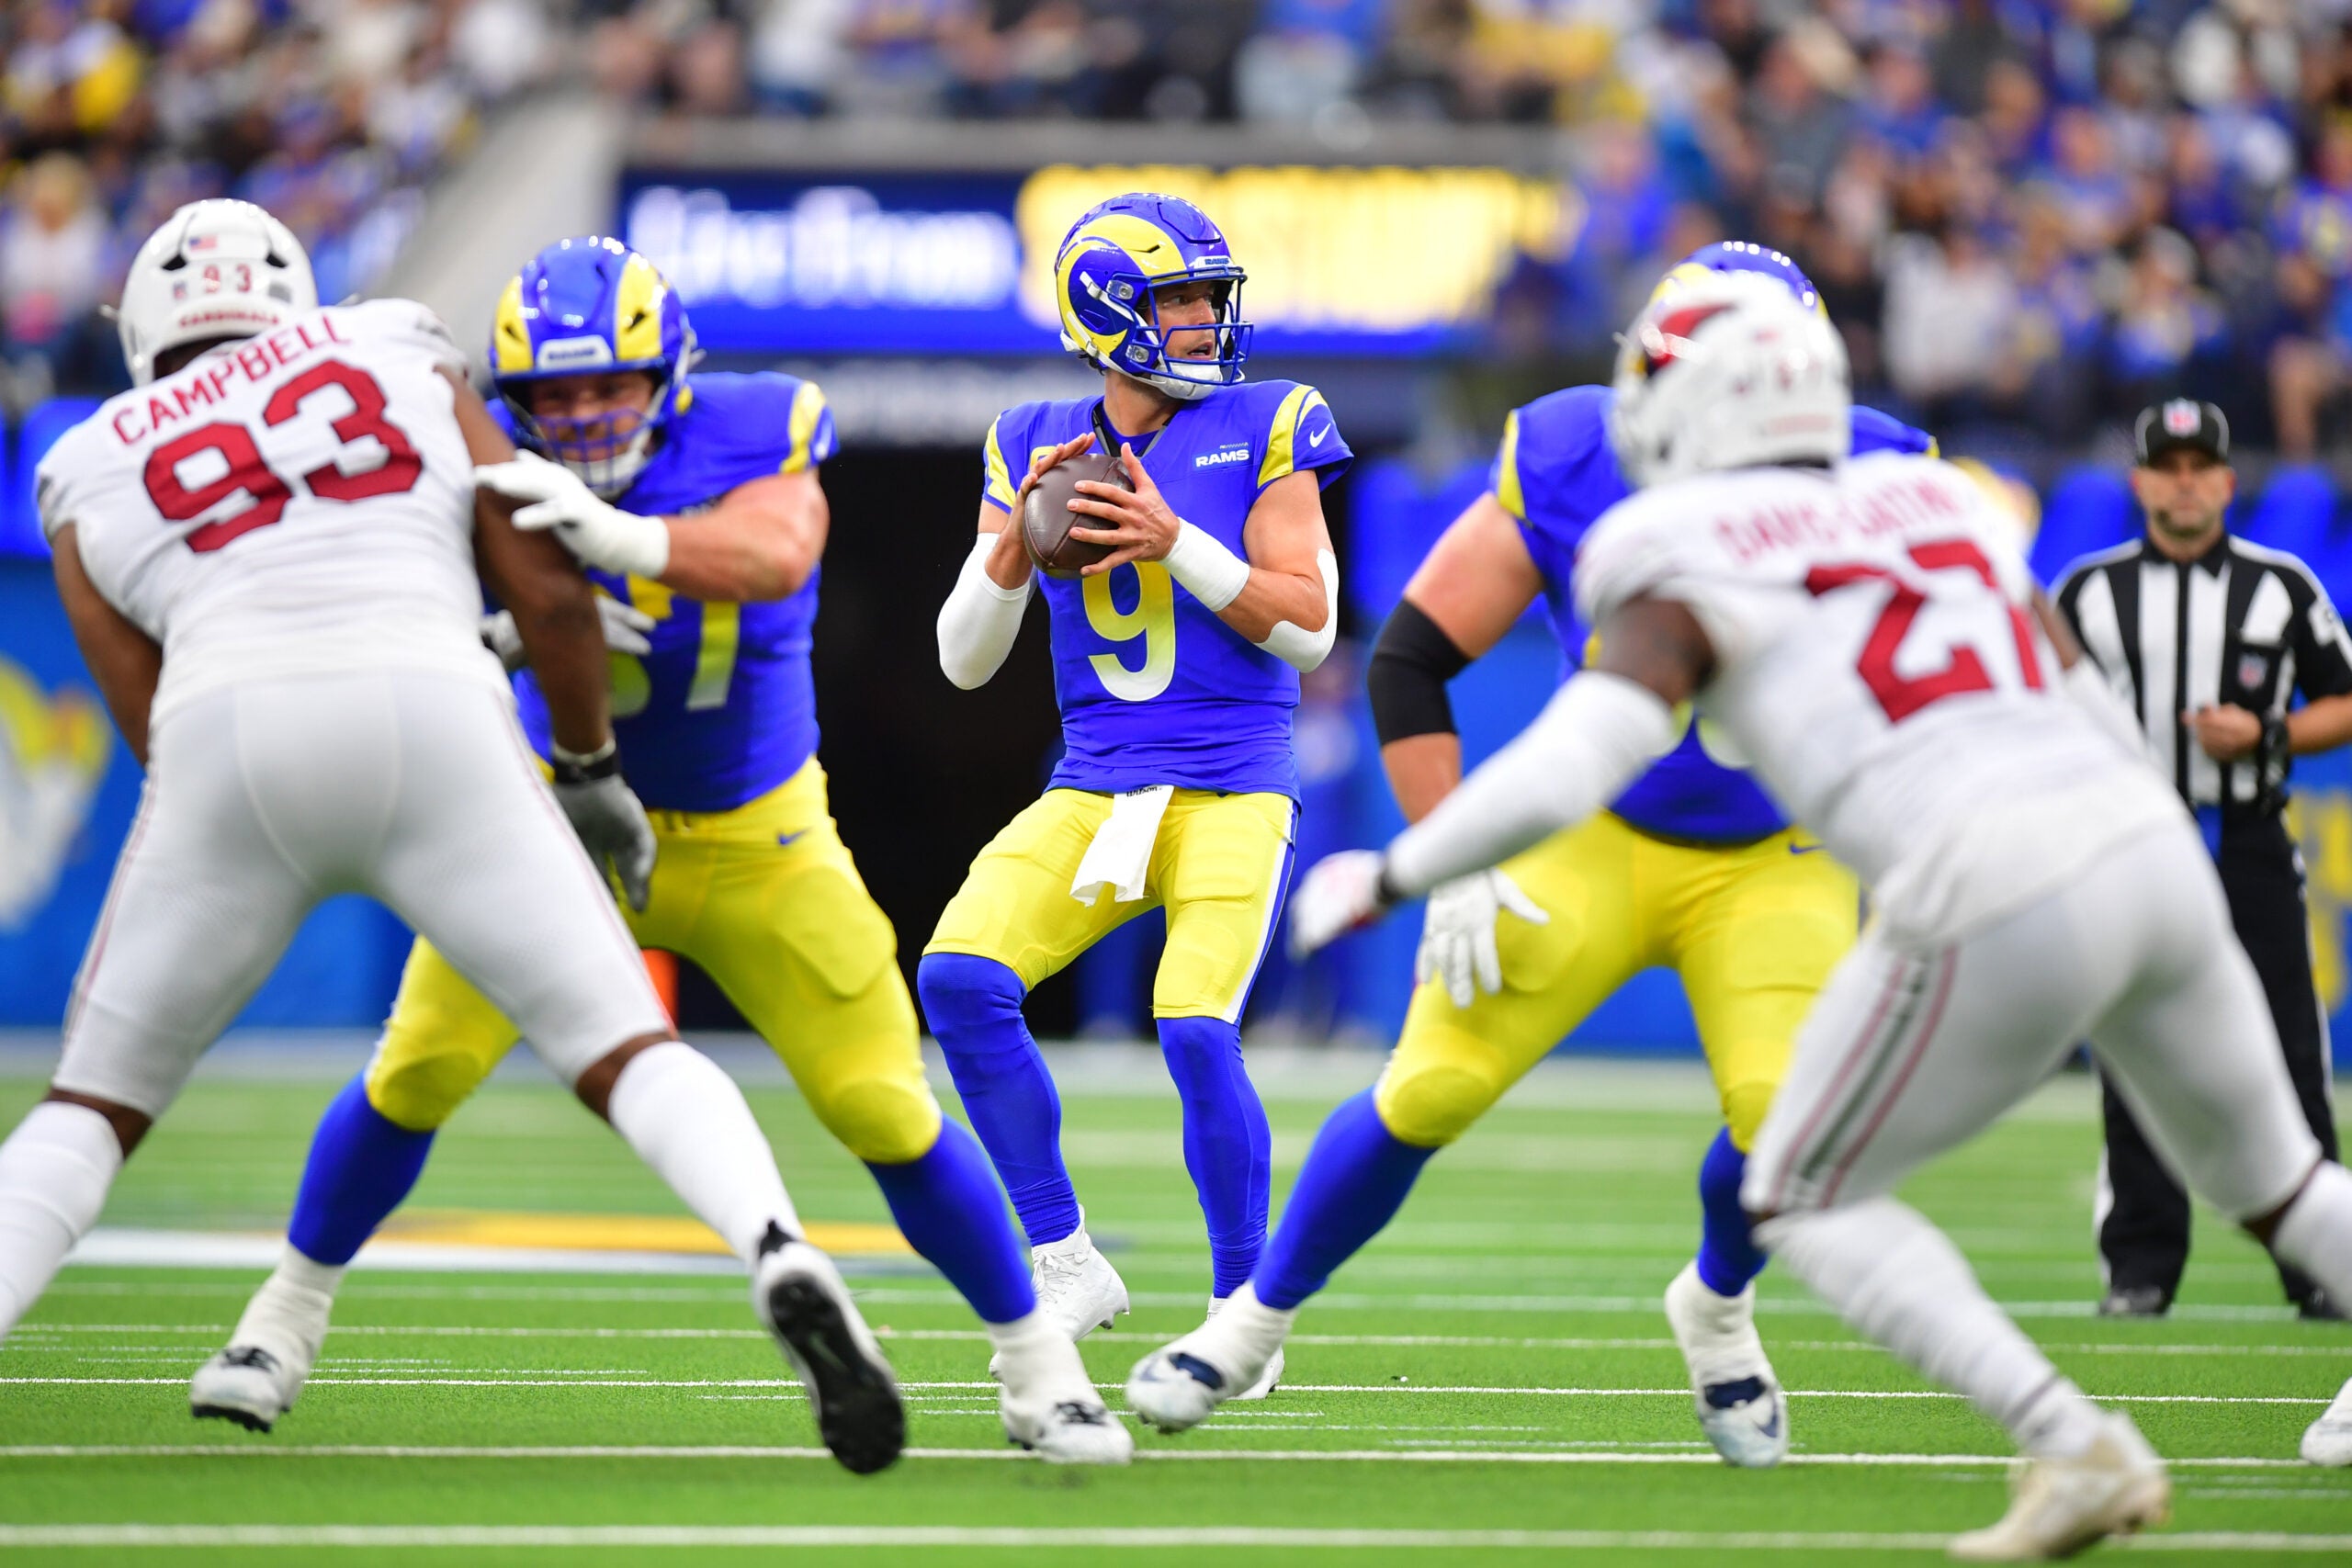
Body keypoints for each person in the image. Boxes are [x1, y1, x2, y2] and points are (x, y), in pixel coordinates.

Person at [1131, 272, 2352, 1557]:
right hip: (2133, 836)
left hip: (1863, 858)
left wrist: (1399, 868)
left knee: (1801, 1174)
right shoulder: (1932, 491)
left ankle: (2042, 1429)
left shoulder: (1679, 537)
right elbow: (2057, 669)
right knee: (2274, 1175)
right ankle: (1250, 1323)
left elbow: (1583, 745)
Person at [0, 201, 907, 1474]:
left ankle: (253, 1307)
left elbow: (141, 708)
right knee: (630, 1049)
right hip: (436, 706)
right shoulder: (392, 344)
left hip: (225, 729)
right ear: (294, 300)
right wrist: (587, 766)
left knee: (88, 1112)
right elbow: (544, 587)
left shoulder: (81, 458)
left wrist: (240, 839)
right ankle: (776, 1243)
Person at [190, 236, 1128, 1464]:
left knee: (881, 1103)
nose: (580, 420)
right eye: (556, 399)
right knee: (416, 1064)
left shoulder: (757, 425)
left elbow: (781, 547)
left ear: (671, 377)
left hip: (757, 829)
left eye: (610, 388)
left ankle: (1037, 1369)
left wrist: (623, 540)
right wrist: (489, 636)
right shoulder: (472, 452)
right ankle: (282, 1318)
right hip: (546, 822)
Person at [1349, 242, 1933, 1466]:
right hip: (1601, 832)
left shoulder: (1885, 469)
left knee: (1804, 1123)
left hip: (1784, 844)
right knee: (1429, 1083)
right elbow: (1424, 665)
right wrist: (1446, 859)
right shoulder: (1581, 462)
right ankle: (1248, 1322)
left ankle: (1720, 1305)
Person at [924, 191, 1350, 1393]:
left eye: (1211, 297)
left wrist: (1177, 542)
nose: (1206, 319)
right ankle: (1065, 1256)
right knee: (958, 977)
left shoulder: (1273, 420)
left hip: (1233, 782)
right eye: (1178, 299)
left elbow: (1311, 627)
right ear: (1110, 311)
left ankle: (1240, 1311)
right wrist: (1009, 542)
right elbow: (962, 658)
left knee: (1195, 1024)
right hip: (1098, 782)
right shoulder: (1031, 437)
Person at [2052, 400, 2352, 1321]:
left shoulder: (2280, 585)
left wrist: (2262, 733)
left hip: (2247, 844)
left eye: (2200, 466)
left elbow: (2344, 699)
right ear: (2139, 481)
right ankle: (2140, 1267)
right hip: (2132, 844)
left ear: (2227, 480)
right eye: (2166, 466)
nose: (2184, 481)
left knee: (2289, 1056)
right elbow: (2034, 710)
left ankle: (2318, 1269)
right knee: (2136, 1051)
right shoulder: (2084, 594)